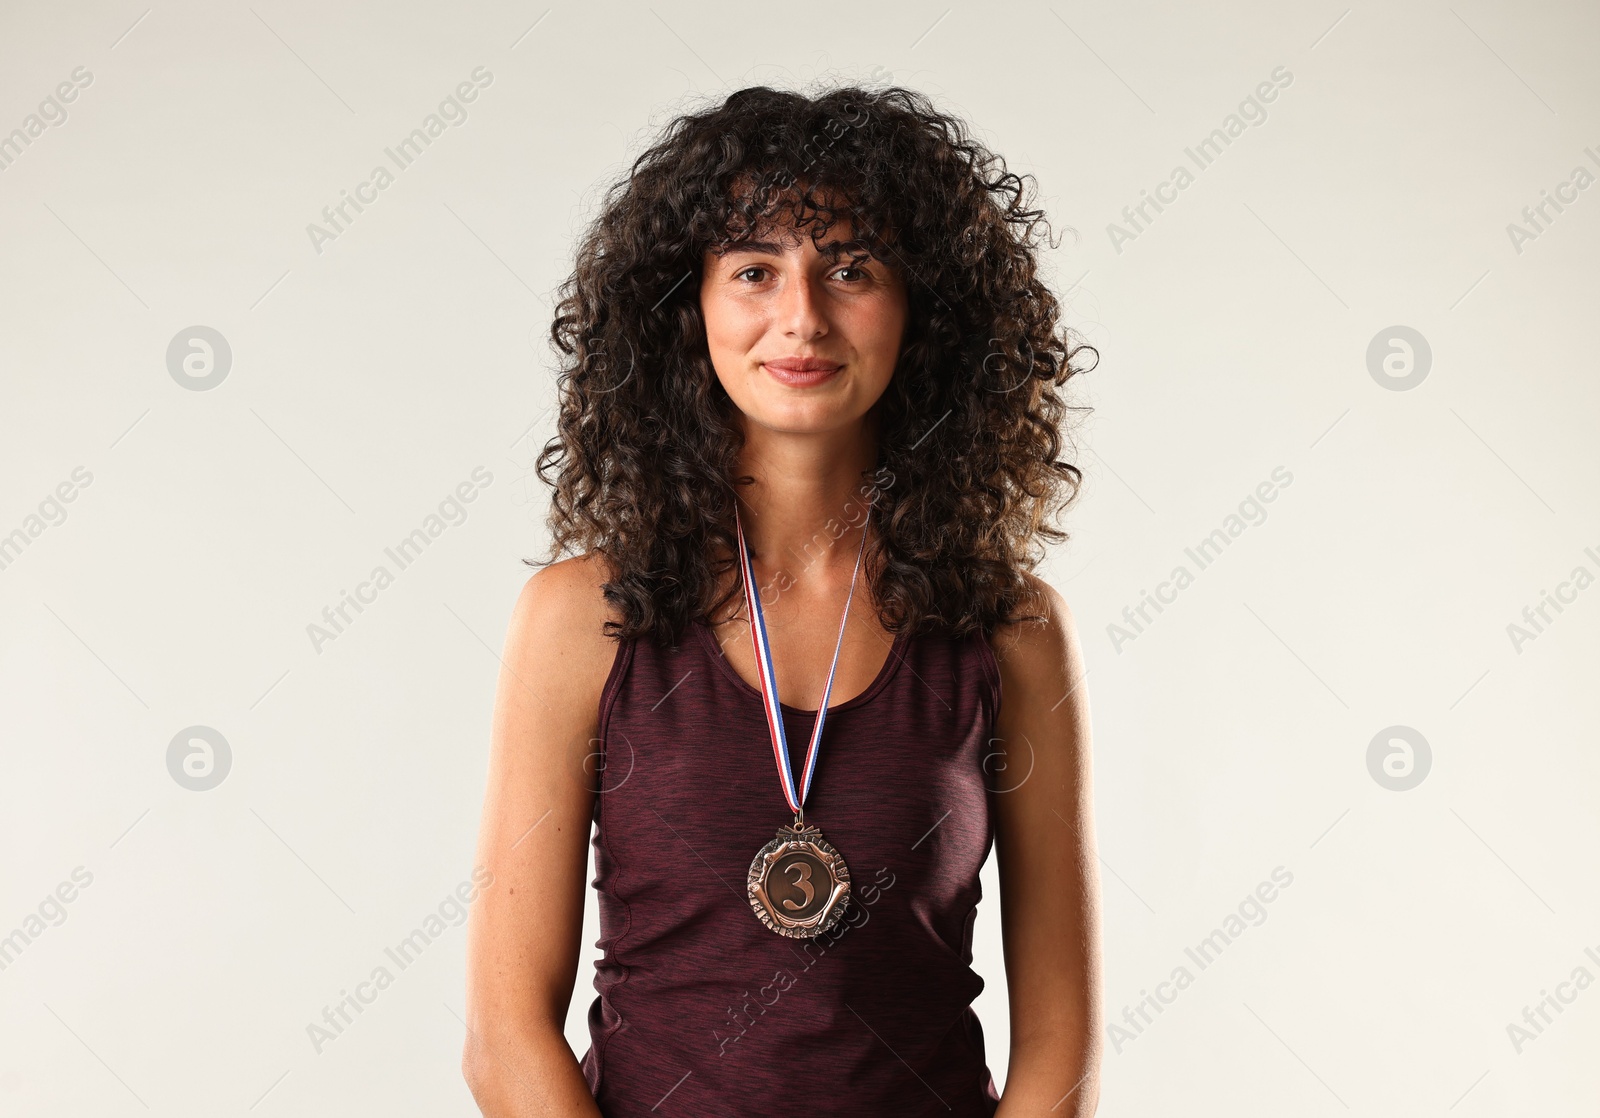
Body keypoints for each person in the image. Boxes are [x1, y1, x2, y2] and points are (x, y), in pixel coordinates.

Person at [461, 83, 1101, 1117]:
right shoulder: (580, 619)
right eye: (754, 270)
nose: (800, 316)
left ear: (921, 307)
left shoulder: (1011, 633)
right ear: (689, 307)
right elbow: (503, 1039)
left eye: (850, 269)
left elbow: (1059, 1053)